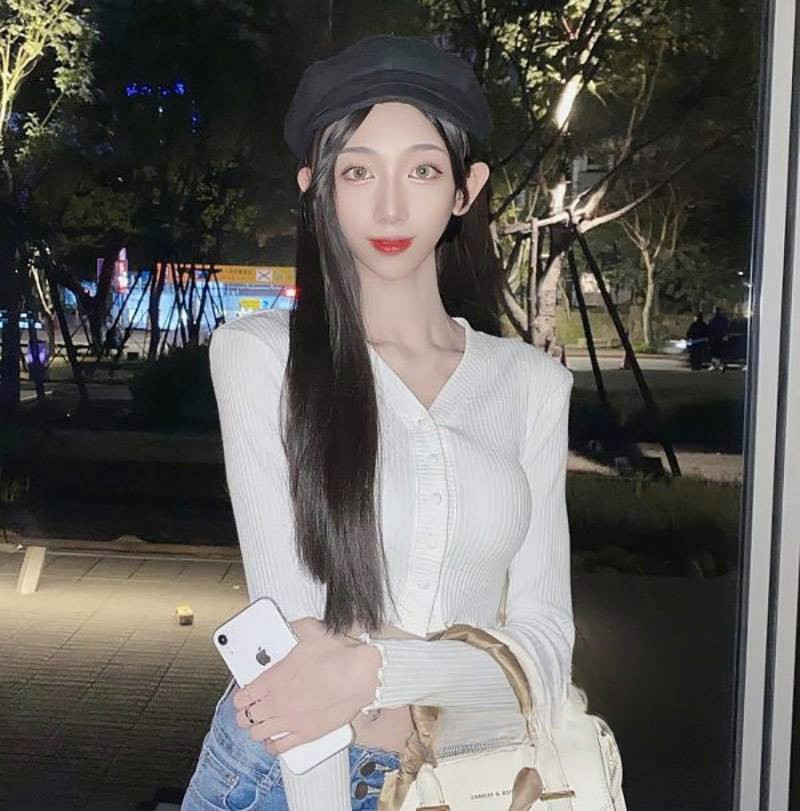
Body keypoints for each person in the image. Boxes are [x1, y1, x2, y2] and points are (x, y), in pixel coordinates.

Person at [181, 34, 573, 811]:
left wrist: (375, 670)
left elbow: (547, 651)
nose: (390, 206)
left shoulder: (531, 384)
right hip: (284, 781)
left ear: (465, 189)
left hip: (460, 781)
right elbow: (292, 660)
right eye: (357, 171)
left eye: (422, 170)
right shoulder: (261, 357)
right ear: (315, 188)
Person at [707, 306, 729, 371]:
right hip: (718, 339)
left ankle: (716, 364)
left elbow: (710, 330)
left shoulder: (713, 320)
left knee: (716, 352)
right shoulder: (723, 320)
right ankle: (718, 364)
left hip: (716, 339)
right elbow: (726, 328)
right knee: (718, 352)